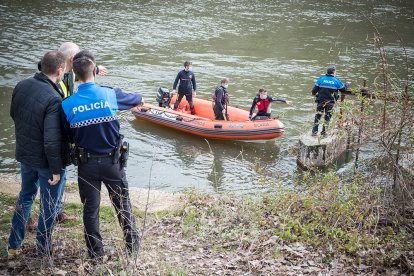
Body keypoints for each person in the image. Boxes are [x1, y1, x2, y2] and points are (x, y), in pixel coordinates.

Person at [61, 50, 142, 259]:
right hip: (112, 163)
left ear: (76, 75)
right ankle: (133, 249)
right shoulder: (110, 94)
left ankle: (96, 255)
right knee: (122, 205)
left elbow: (68, 135)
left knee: (90, 211)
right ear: (95, 71)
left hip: (86, 165)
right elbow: (137, 99)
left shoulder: (67, 104)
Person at [8, 51, 68, 257]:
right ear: (60, 71)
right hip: (44, 160)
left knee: (25, 196)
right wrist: (56, 169)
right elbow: (52, 140)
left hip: (25, 153)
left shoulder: (21, 85)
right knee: (48, 204)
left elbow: (14, 114)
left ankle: (14, 244)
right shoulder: (53, 98)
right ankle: (43, 249)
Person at [311, 66, 347, 136]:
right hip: (330, 103)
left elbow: (313, 92)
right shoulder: (336, 81)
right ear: (334, 73)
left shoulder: (320, 79)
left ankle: (314, 133)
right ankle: (324, 133)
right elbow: (343, 90)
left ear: (327, 72)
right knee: (327, 117)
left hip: (320, 102)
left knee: (317, 117)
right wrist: (346, 85)